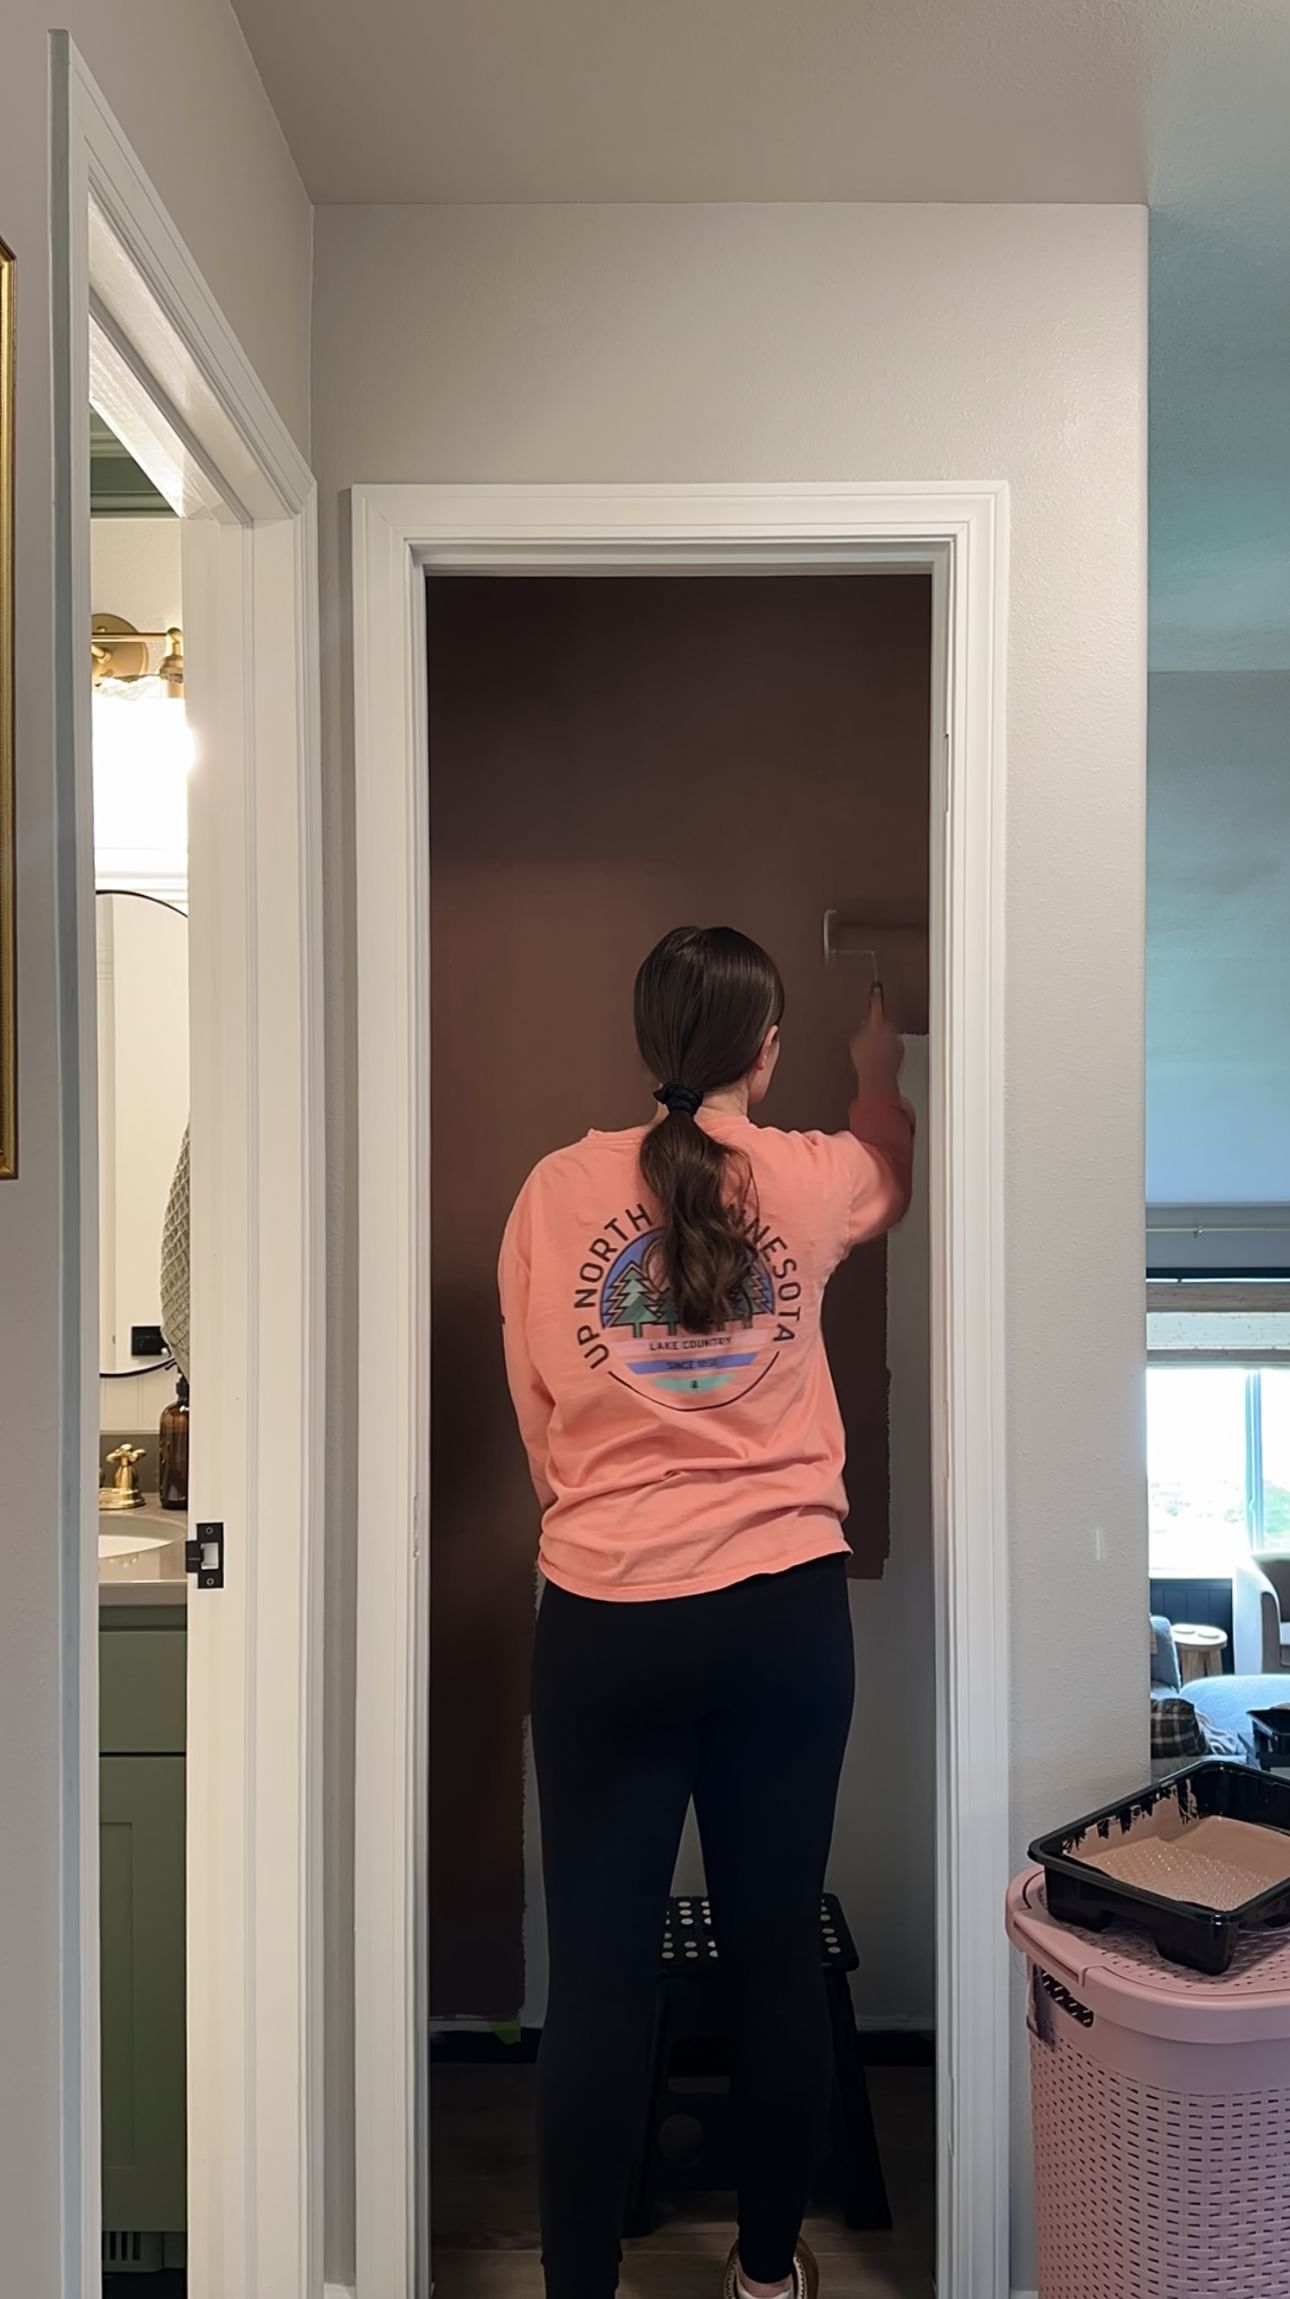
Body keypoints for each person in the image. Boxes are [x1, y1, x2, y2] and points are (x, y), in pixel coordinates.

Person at [498, 923, 915, 2299]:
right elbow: (891, 1176)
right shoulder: (805, 1175)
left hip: (606, 1619)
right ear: (761, 1046)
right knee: (773, 1955)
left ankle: (575, 2291)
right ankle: (764, 2275)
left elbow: (540, 1414)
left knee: (599, 1983)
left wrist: (610, 1514)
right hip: (781, 1621)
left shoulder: (557, 1189)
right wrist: (873, 1069)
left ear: (647, 1043)